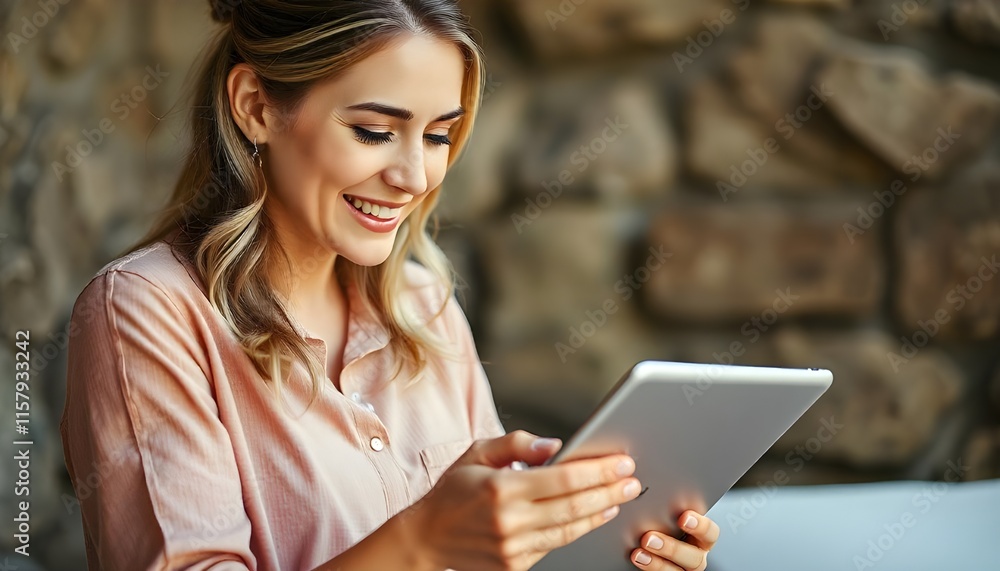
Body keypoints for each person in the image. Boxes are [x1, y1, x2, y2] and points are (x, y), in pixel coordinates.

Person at [59, 1, 719, 569]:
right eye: (374, 131)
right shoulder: (147, 312)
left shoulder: (424, 304)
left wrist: (614, 553)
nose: (415, 176)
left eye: (438, 135)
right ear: (256, 107)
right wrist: (420, 540)